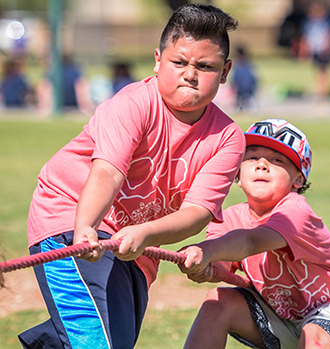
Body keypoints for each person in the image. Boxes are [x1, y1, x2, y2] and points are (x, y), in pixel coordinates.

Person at [19, 4, 244, 348]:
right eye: (179, 62)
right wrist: (85, 227)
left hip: (137, 250)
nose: (190, 74)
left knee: (114, 340)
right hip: (72, 220)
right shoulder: (132, 104)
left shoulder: (228, 138)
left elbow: (197, 212)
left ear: (225, 71)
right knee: (97, 343)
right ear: (158, 60)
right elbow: (107, 172)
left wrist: (145, 233)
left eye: (205, 66)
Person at [179, 119, 330, 349]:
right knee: (217, 302)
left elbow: (250, 241)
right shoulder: (229, 218)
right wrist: (205, 268)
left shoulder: (295, 211)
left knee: (314, 332)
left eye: (276, 160)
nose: (262, 165)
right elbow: (221, 266)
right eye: (252, 157)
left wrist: (205, 250)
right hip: (283, 317)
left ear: (298, 179)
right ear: (237, 172)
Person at [299, 2, 330, 99]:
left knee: (324, 69)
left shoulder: (327, 21)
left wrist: (328, 47)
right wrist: (305, 49)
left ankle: (324, 90)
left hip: (323, 49)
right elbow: (305, 37)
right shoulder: (309, 23)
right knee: (317, 69)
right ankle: (319, 89)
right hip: (315, 49)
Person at [232, 46, 258, 112]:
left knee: (247, 101)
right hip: (241, 87)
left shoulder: (246, 64)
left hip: (246, 87)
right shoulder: (238, 64)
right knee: (240, 100)